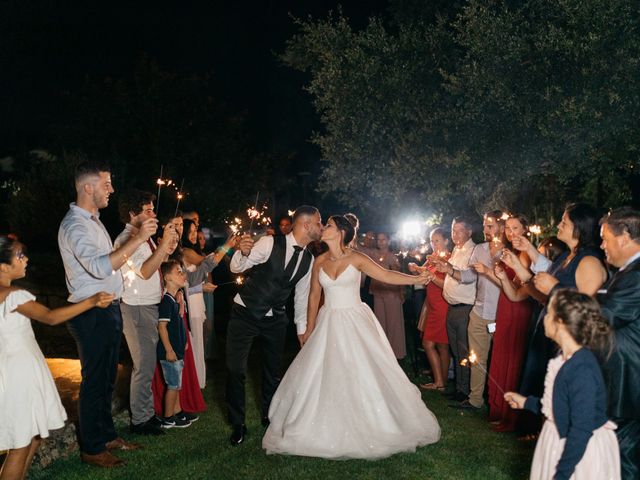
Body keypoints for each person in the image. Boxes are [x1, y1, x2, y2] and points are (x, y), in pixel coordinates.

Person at [262, 215, 440, 459]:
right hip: (328, 322)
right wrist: (308, 329)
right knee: (325, 373)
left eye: (329, 226)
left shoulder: (357, 258)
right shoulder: (319, 261)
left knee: (361, 371)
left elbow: (386, 276)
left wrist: (415, 279)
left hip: (355, 321)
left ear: (341, 232)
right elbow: (314, 298)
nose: (324, 228)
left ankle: (375, 423)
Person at [58, 160, 155, 467]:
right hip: (90, 312)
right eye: (107, 184)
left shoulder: (93, 220)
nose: (112, 189)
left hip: (108, 307)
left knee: (107, 379)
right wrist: (138, 238)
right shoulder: (74, 226)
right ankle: (92, 448)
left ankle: (107, 435)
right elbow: (100, 266)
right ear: (88, 187)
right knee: (94, 381)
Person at [0, 236, 114, 480]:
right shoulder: (14, 296)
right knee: (21, 442)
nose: (26, 259)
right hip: (20, 371)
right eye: (20, 256)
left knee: (34, 436)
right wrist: (92, 301)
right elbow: (51, 317)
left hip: (13, 368)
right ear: (3, 266)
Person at [226, 206, 322, 445]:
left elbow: (301, 298)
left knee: (272, 373)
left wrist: (303, 331)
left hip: (276, 319)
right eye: (319, 223)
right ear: (306, 225)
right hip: (245, 312)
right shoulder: (270, 243)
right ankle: (237, 424)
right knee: (235, 369)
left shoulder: (309, 260)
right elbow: (236, 267)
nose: (321, 227)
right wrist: (243, 252)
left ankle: (269, 417)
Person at [504, 289, 620, 480]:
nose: (544, 317)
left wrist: (562, 473)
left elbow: (581, 429)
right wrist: (526, 403)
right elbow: (560, 405)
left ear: (561, 323)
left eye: (549, 313)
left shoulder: (582, 368)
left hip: (578, 453)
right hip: (559, 438)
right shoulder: (564, 359)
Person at [114, 190, 178, 436]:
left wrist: (166, 243)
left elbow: (159, 261)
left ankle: (147, 414)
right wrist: (162, 246)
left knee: (147, 365)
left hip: (149, 305)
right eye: (147, 210)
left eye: (153, 209)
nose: (154, 214)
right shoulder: (128, 239)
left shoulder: (143, 236)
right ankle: (139, 420)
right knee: (143, 366)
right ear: (133, 214)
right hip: (137, 308)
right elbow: (145, 271)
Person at [439, 211, 505, 410]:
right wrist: (449, 269)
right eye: (484, 226)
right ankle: (475, 399)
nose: (485, 230)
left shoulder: (511, 252)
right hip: (478, 311)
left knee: (499, 357)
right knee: (476, 356)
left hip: (500, 313)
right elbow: (469, 275)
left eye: (490, 226)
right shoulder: (481, 250)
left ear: (502, 228)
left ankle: (499, 399)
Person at [598, 207, 640, 479]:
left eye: (605, 238)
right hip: (623, 379)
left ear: (624, 236)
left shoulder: (636, 274)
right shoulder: (628, 271)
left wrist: (555, 291)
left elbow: (607, 314)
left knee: (624, 460)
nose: (602, 245)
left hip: (631, 382)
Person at [489, 214, 533, 431]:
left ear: (525, 229)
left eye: (515, 227)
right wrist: (497, 274)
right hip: (506, 305)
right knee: (502, 355)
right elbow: (507, 287)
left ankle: (511, 415)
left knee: (512, 359)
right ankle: (499, 408)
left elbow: (519, 292)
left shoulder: (526, 254)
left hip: (519, 311)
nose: (510, 232)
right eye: (507, 228)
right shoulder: (511, 252)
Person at [435, 216, 477, 403]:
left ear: (469, 232)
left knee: (464, 351)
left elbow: (468, 276)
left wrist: (448, 268)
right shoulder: (456, 250)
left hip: (465, 308)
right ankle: (460, 387)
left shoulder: (474, 251)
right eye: (453, 230)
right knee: (456, 350)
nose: (455, 234)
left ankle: (467, 390)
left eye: (459, 230)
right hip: (451, 307)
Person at [410, 227, 451, 391]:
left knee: (430, 344)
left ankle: (440, 382)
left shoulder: (448, 259)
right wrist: (416, 268)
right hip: (432, 305)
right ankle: (442, 380)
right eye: (432, 241)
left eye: (437, 241)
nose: (434, 245)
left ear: (446, 241)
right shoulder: (432, 258)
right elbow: (424, 273)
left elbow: (446, 284)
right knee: (441, 345)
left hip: (442, 305)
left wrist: (428, 274)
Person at [156, 260, 192, 429]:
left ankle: (176, 412)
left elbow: (177, 325)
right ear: (167, 277)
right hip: (170, 353)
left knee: (176, 383)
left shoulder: (174, 301)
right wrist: (169, 350)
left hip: (177, 351)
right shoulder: (166, 302)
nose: (183, 275)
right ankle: (167, 417)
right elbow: (162, 327)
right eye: (178, 272)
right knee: (172, 385)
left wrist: (183, 342)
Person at [369, 232, 406, 359]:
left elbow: (397, 276)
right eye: (378, 239)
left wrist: (401, 291)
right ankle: (383, 354)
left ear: (388, 241)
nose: (380, 242)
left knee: (393, 323)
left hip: (391, 292)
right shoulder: (373, 254)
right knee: (380, 323)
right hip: (377, 291)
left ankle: (397, 353)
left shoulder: (392, 256)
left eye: (383, 239)